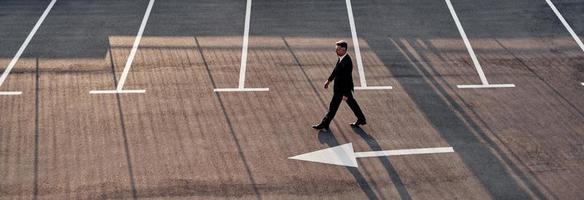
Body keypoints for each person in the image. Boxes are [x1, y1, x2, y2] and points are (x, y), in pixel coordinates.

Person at [313, 40, 366, 131]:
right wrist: (329, 80)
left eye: (338, 49)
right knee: (352, 104)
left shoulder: (347, 62)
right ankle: (361, 119)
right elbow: (336, 70)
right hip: (340, 89)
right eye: (336, 48)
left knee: (333, 107)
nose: (336, 51)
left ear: (344, 50)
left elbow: (347, 79)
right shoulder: (342, 58)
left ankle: (324, 124)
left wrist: (345, 94)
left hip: (342, 90)